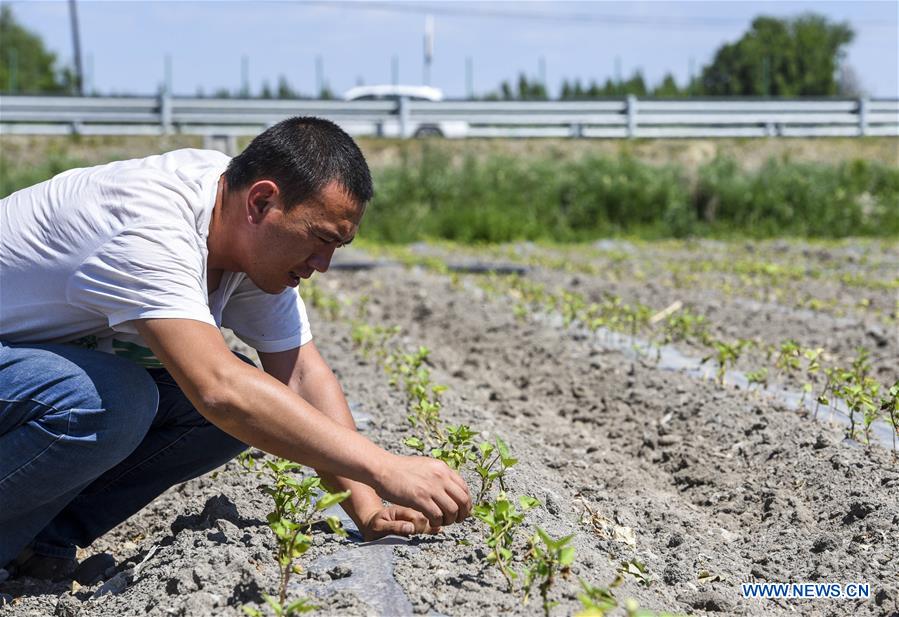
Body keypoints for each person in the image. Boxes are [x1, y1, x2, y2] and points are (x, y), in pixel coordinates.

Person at [0, 116, 471, 581]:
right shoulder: (150, 227)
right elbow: (220, 390)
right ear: (263, 200)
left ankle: (35, 543)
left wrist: (369, 508)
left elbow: (301, 377)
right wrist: (386, 466)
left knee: (238, 407)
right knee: (118, 399)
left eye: (339, 246)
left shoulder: (241, 229)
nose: (324, 264)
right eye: (322, 238)